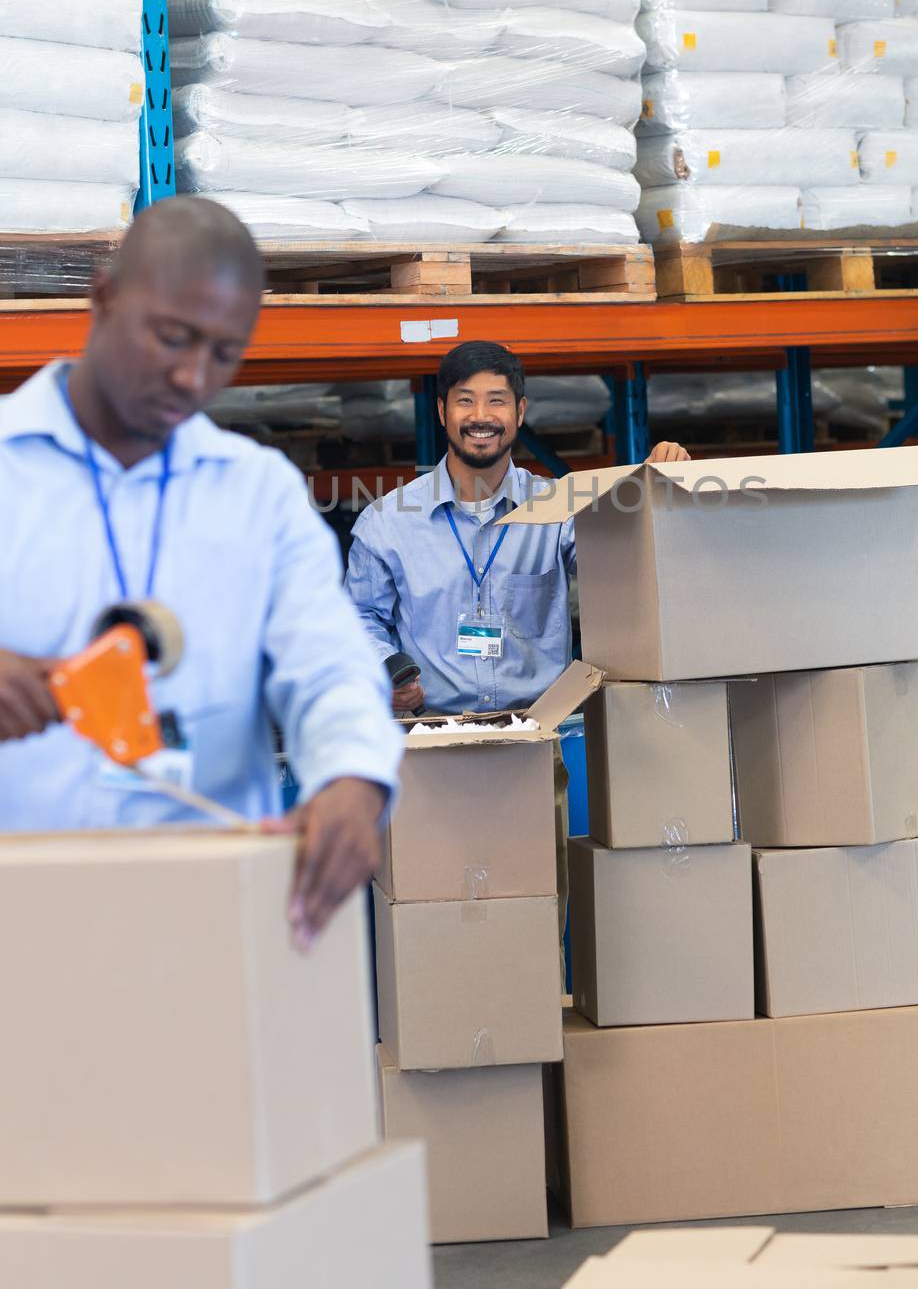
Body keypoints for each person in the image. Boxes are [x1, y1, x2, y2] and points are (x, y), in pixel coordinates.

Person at [0, 197, 401, 951]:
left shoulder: (258, 496)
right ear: (104, 298)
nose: (192, 376)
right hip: (18, 938)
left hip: (205, 937)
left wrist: (353, 776)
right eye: (173, 337)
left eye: (223, 353)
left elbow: (329, 668)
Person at [345, 339, 690, 718]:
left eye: (496, 400)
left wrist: (659, 491)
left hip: (539, 733)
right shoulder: (388, 522)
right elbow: (359, 616)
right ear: (442, 411)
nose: (481, 416)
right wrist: (382, 670)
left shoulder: (559, 509)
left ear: (520, 411)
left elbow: (627, 571)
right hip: (430, 734)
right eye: (465, 400)